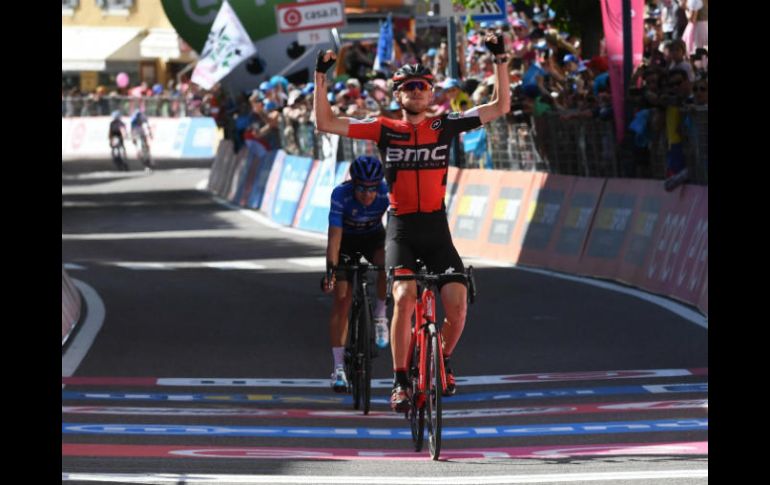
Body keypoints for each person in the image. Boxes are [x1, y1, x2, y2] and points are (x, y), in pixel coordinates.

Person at [313, 30, 511, 412]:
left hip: (436, 228)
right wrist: (321, 78)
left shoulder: (445, 125)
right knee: (403, 297)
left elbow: (500, 107)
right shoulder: (384, 127)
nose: (417, 92)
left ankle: (443, 360)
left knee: (457, 304)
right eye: (409, 87)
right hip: (401, 228)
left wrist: (501, 59)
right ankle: (401, 380)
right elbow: (326, 122)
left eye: (423, 86)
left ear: (432, 93)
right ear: (397, 94)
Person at [321, 155, 391, 392]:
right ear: (353, 184)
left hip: (373, 238)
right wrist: (331, 271)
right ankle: (338, 367)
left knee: (388, 263)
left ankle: (381, 315)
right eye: (362, 188)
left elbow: (394, 231)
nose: (367, 194)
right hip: (346, 242)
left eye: (372, 189)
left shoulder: (385, 192)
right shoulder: (341, 195)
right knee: (342, 299)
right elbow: (334, 238)